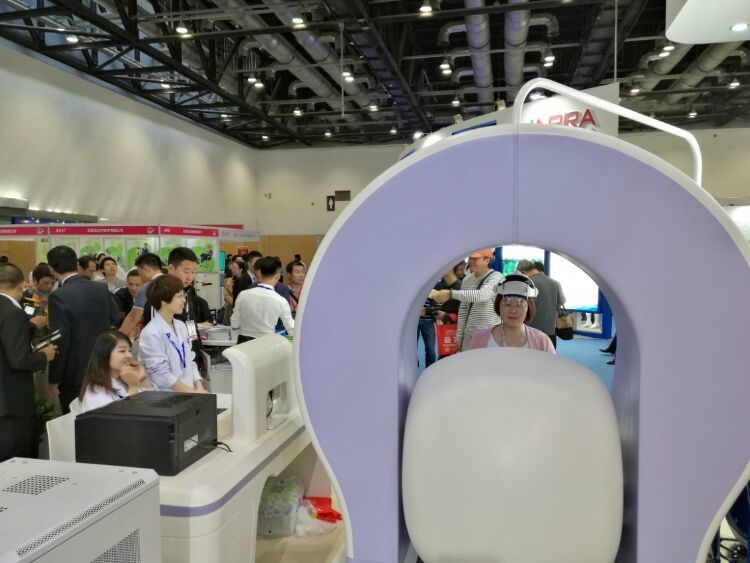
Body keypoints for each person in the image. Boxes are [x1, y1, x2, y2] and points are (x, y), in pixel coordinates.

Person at [46, 246, 120, 413]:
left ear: (51, 269)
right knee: (104, 415)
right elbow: (116, 316)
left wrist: (54, 379)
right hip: (103, 365)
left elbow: (60, 340)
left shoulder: (58, 296)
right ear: (77, 264)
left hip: (74, 374)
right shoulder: (100, 288)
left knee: (76, 419)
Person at [0, 263, 56, 460]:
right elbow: (18, 359)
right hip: (11, 402)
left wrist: (30, 326)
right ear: (22, 284)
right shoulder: (13, 312)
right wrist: (44, 356)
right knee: (17, 458)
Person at [138, 275, 207, 393]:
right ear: (163, 300)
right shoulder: (151, 333)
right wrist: (192, 392)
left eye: (183, 295)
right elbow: (160, 374)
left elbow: (190, 359)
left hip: (189, 393)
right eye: (179, 296)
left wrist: (198, 384)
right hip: (166, 397)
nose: (183, 300)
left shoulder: (181, 326)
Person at [430, 249, 503, 352]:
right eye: (470, 257)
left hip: (490, 335)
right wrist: (459, 337)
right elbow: (463, 309)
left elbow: (482, 295)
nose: (471, 260)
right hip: (469, 335)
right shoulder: (467, 280)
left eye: (475, 258)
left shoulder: (496, 277)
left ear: (487, 260)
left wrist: (451, 294)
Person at [468, 272, 555, 353]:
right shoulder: (479, 339)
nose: (513, 310)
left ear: (529, 307)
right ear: (498, 305)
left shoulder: (542, 342)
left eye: (520, 304)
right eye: (507, 303)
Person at [79, 330, 153, 412]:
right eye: (122, 351)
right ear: (105, 355)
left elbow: (151, 404)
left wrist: (143, 379)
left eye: (129, 351)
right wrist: (133, 387)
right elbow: (120, 418)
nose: (129, 355)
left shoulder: (121, 380)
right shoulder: (96, 391)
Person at [231, 256, 294, 343]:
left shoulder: (243, 295)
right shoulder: (280, 301)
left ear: (260, 273)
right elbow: (291, 330)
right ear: (278, 276)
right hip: (266, 344)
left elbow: (234, 324)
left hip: (243, 344)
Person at [516, 259, 566, 349]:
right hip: (550, 330)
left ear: (523, 272)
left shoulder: (527, 284)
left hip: (530, 330)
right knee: (548, 355)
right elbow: (562, 301)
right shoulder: (555, 283)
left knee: (530, 355)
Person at [119, 252, 163, 336]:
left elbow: (133, 317)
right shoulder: (172, 282)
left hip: (156, 335)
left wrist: (117, 338)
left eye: (139, 273)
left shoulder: (149, 286)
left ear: (146, 269)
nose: (141, 278)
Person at [22, 263, 56, 328]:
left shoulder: (56, 298)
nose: (49, 286)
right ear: (35, 280)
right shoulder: (24, 297)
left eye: (53, 283)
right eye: (45, 283)